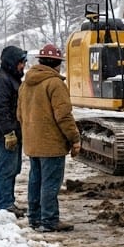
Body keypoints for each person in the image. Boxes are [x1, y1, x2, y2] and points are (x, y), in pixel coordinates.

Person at [17, 44, 82, 232]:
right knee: (50, 184)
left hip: (33, 144)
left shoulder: (26, 84)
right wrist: (74, 139)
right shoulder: (55, 84)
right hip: (51, 145)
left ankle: (35, 219)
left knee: (35, 181)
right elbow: (64, 116)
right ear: (57, 64)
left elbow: (19, 114)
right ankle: (50, 220)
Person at [0, 45, 28, 218]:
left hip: (12, 133)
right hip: (4, 135)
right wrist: (9, 133)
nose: (23, 66)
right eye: (21, 62)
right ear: (12, 62)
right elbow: (0, 109)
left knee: (13, 168)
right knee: (6, 169)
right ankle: (4, 205)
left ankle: (8, 201)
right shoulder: (2, 80)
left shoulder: (11, 78)